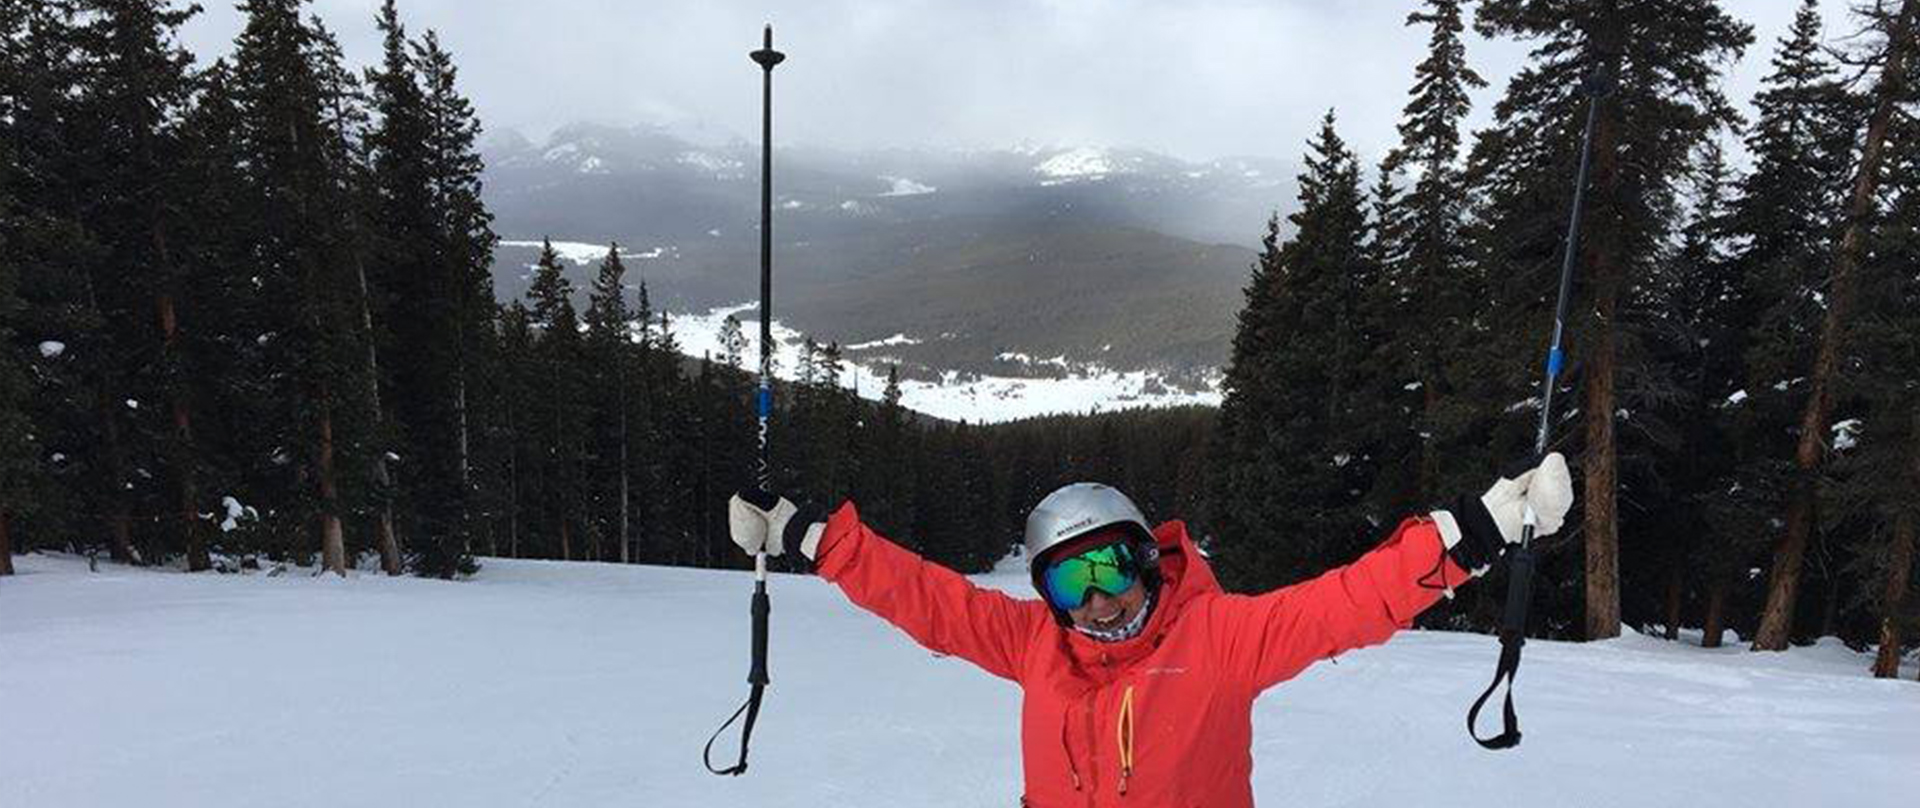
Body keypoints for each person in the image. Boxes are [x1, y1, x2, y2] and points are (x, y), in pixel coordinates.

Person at [728, 454, 1574, 808]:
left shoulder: (1222, 641)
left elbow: (1344, 603)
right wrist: (812, 538)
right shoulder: (1035, 644)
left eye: (1111, 570)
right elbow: (928, 600)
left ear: (1148, 561)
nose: (1098, 601)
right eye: (1070, 581)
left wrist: (1471, 531)